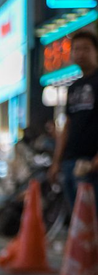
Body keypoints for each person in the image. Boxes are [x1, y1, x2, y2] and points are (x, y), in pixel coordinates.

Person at [49, 30, 98, 210]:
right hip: (70, 162)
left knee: (91, 219)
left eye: (86, 49)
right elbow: (67, 125)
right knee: (76, 219)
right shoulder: (73, 87)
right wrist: (56, 162)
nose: (81, 53)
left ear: (96, 51)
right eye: (76, 49)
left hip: (91, 164)